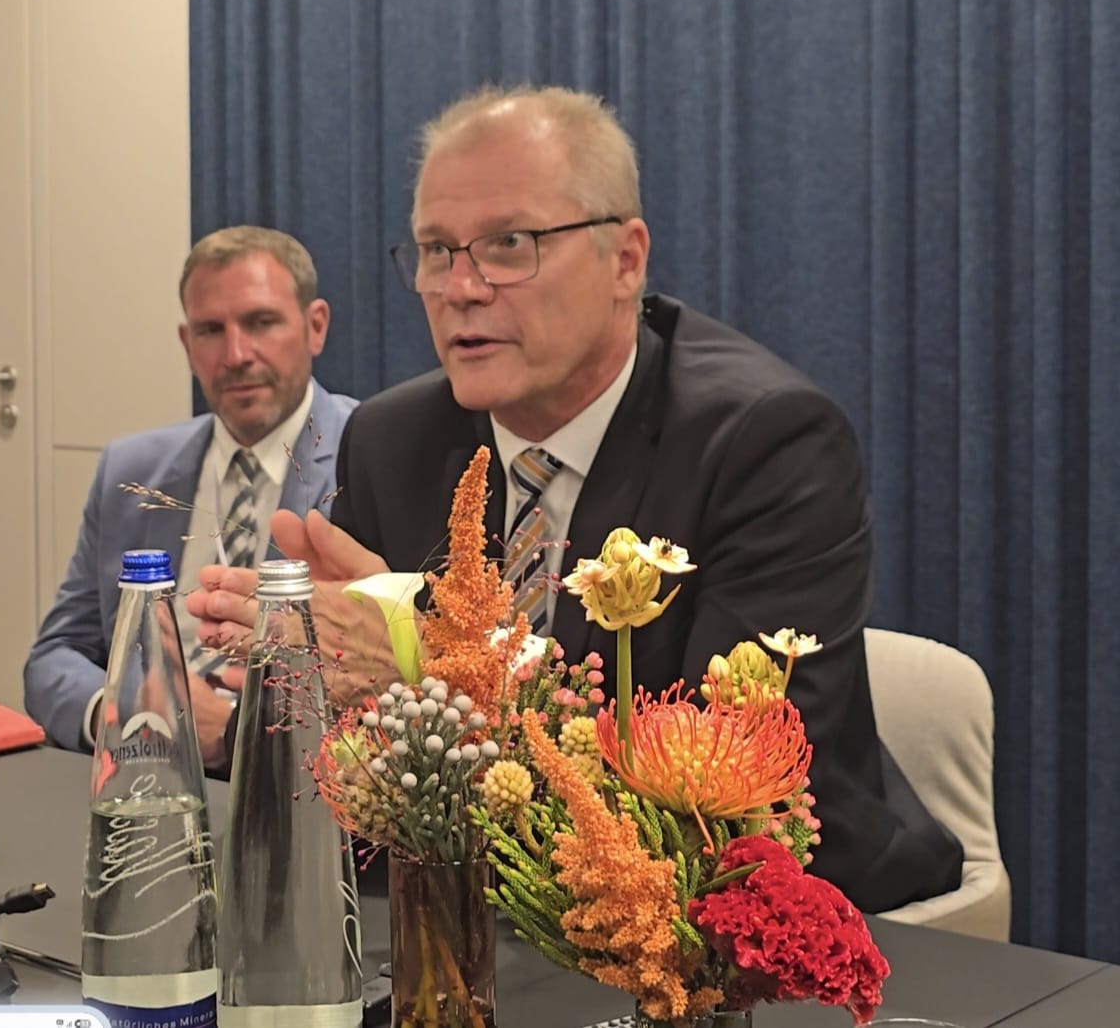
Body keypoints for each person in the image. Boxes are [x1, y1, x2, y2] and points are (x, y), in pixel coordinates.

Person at [190, 86, 963, 912]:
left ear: (625, 259)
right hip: (477, 903)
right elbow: (346, 748)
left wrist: (423, 666)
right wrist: (292, 687)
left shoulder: (766, 443)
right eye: (437, 250)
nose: (461, 288)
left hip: (763, 911)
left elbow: (716, 789)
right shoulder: (392, 439)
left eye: (509, 244)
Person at [24, 226, 356, 770]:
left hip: (297, 792)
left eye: (261, 322)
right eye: (210, 330)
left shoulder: (369, 458)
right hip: (141, 775)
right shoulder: (130, 470)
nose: (236, 354)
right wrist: (130, 715)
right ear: (186, 344)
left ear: (315, 326)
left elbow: (396, 686)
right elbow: (53, 657)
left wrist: (231, 729)